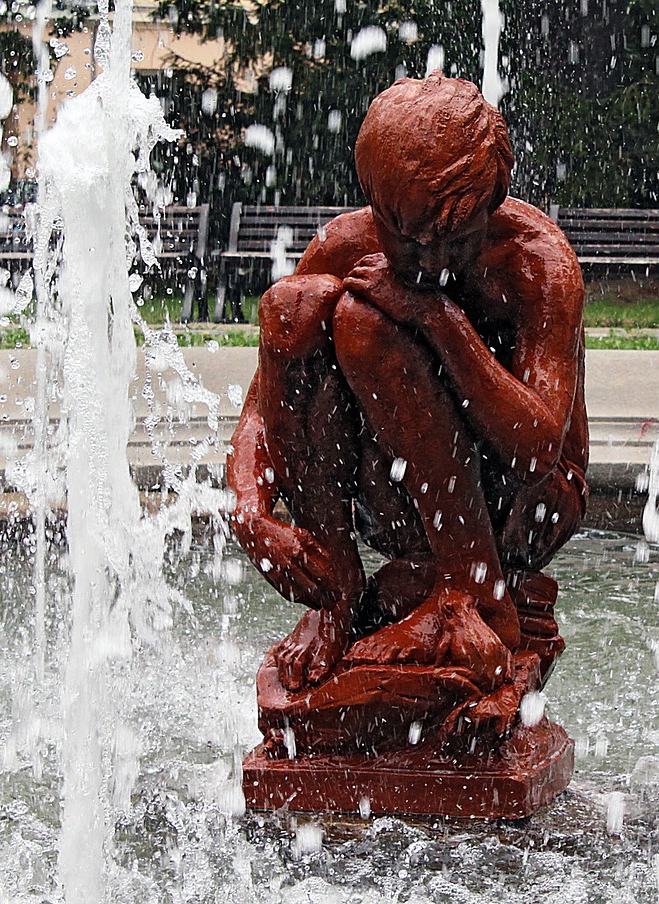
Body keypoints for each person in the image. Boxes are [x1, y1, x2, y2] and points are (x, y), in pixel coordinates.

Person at [227, 73, 588, 714]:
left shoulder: (536, 263)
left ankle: (474, 594)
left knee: (367, 321)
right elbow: (260, 411)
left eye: (455, 240)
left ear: (494, 203)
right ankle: (336, 593)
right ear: (375, 204)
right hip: (398, 491)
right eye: (406, 237)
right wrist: (252, 513)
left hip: (521, 502)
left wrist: (439, 320)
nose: (428, 261)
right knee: (292, 306)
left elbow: (537, 451)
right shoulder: (347, 243)